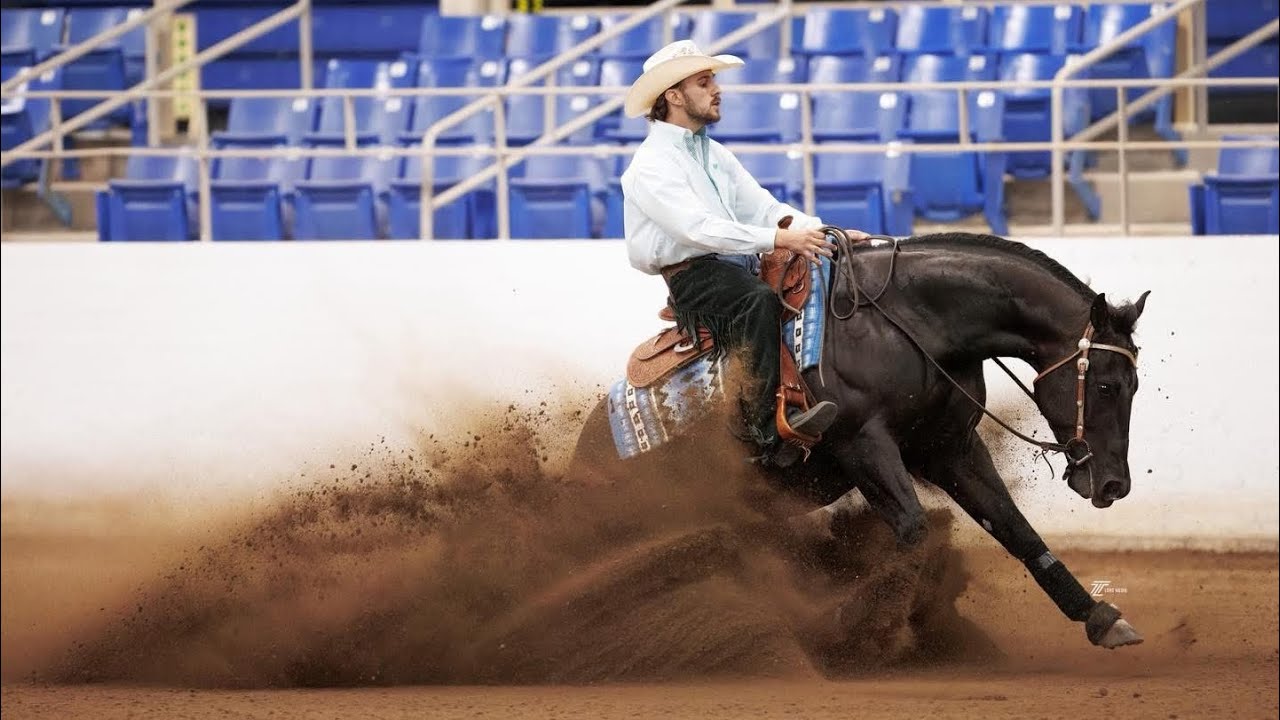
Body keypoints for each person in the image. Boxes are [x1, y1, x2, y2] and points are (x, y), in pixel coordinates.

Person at [619, 39, 861, 467]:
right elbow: (697, 229)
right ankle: (757, 430)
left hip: (736, 264)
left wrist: (822, 231)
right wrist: (778, 240)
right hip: (695, 277)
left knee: (818, 275)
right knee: (756, 302)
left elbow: (766, 208)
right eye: (704, 81)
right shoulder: (650, 165)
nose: (717, 89)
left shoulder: (713, 154)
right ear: (673, 96)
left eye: (713, 80)